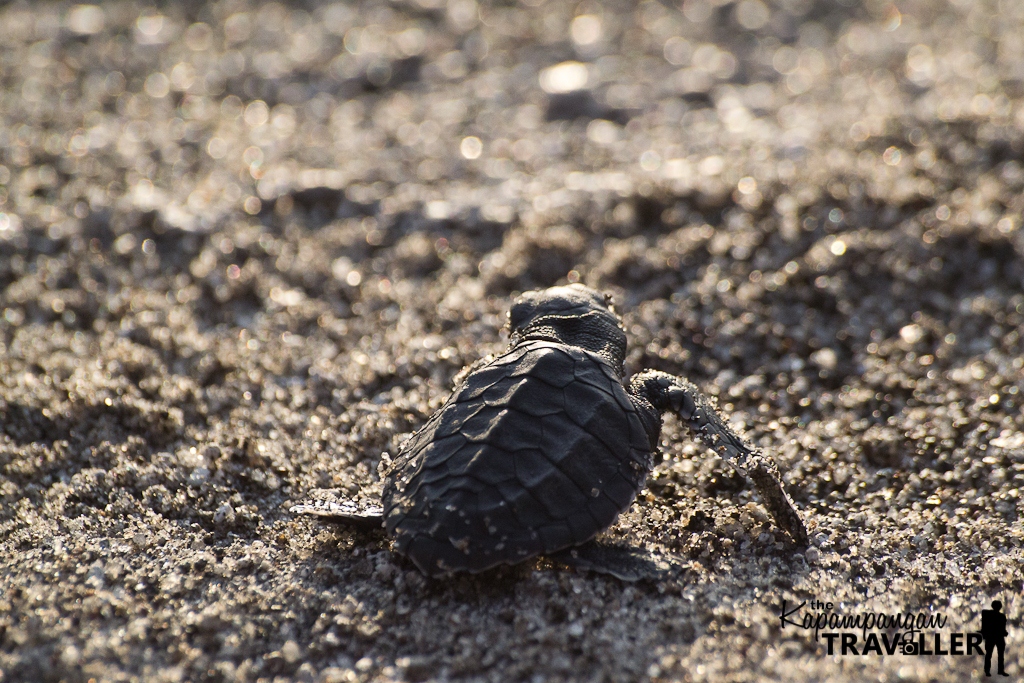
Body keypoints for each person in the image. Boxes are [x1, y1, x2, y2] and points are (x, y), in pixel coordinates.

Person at [981, 600, 1009, 677]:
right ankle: (987, 670)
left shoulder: (1002, 616)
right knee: (990, 654)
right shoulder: (989, 614)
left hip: (998, 637)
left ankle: (1000, 670)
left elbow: (1003, 627)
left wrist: (1004, 632)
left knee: (1000, 655)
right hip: (992, 637)